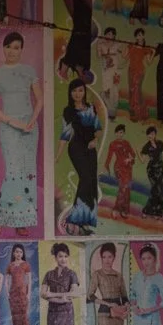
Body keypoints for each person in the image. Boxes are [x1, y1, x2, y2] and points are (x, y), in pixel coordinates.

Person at [0, 33, 39, 233]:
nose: (13, 51)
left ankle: (22, 221)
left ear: (21, 50)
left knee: (28, 173)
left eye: (17, 47)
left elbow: (40, 99)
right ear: (3, 49)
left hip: (29, 128)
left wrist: (31, 121)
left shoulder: (29, 71)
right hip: (9, 127)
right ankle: (0, 217)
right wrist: (11, 121)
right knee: (13, 172)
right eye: (9, 47)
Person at [59, 77, 103, 235]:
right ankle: (73, 219)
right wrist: (57, 157)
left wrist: (95, 140)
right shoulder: (68, 111)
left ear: (84, 91)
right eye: (74, 91)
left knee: (91, 182)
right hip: (76, 148)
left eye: (80, 90)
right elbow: (65, 135)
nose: (77, 94)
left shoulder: (91, 108)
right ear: (70, 93)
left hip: (90, 149)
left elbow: (98, 128)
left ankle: (85, 222)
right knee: (85, 178)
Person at [128, 242, 163, 325]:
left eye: (149, 258)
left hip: (152, 319)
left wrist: (149, 310)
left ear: (155, 258)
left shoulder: (160, 278)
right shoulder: (137, 276)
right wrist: (134, 307)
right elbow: (133, 295)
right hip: (138, 319)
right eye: (143, 259)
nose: (146, 262)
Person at [41, 243, 79, 325]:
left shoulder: (72, 274)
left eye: (66, 256)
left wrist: (52, 295)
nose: (63, 259)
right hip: (52, 313)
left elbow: (75, 293)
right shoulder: (49, 274)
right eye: (60, 256)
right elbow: (43, 293)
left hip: (66, 314)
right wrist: (61, 300)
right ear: (55, 257)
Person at [89, 242, 125, 325]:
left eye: (109, 257)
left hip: (118, 315)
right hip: (104, 314)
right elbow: (90, 295)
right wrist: (108, 304)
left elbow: (124, 296)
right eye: (104, 257)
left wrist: (126, 306)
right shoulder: (97, 274)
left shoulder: (118, 275)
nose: (107, 260)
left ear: (114, 257)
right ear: (101, 258)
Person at [3, 242, 32, 325]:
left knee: (24, 316)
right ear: (13, 253)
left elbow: (29, 280)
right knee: (15, 317)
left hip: (23, 294)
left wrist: (28, 294)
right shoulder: (10, 266)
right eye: (16, 252)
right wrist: (7, 293)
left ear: (22, 253)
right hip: (13, 295)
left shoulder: (26, 265)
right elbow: (6, 281)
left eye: (20, 252)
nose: (18, 254)